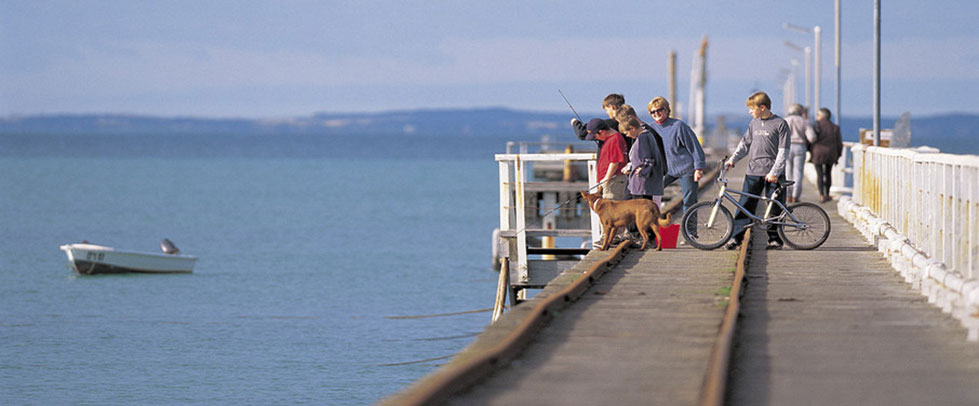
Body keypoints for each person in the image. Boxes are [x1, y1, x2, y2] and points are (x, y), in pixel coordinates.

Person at [724, 91, 790, 250]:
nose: (749, 111)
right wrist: (733, 159)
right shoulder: (753, 124)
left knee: (774, 207)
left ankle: (775, 239)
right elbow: (744, 144)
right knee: (745, 204)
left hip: (773, 174)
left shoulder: (780, 124)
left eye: (751, 108)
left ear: (762, 107)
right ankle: (736, 238)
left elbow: (783, 151)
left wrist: (774, 172)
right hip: (753, 171)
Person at [646, 97, 706, 216]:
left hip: (686, 169)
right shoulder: (650, 129)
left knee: (689, 202)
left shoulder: (679, 126)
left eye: (659, 110)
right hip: (667, 170)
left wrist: (698, 168)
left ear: (667, 110)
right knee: (650, 194)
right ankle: (652, 226)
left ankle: (690, 232)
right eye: (653, 112)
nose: (656, 113)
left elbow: (695, 147)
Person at [619, 117, 666, 204]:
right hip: (645, 186)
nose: (627, 136)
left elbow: (648, 160)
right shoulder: (648, 134)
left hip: (641, 186)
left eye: (626, 133)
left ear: (632, 128)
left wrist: (642, 172)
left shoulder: (643, 138)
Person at [586, 118, 629, 201]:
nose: (596, 138)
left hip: (613, 180)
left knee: (612, 210)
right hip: (608, 180)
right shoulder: (610, 139)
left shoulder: (615, 139)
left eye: (595, 136)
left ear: (602, 131)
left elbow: (614, 162)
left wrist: (606, 179)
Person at [784, 104, 816, 203]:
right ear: (800, 112)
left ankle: (788, 195)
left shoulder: (785, 120)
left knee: (787, 171)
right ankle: (795, 196)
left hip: (787, 146)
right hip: (800, 147)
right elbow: (812, 137)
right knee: (798, 172)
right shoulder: (804, 122)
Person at [811, 107, 843, 203]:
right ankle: (827, 194)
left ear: (822, 116)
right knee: (828, 174)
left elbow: (811, 140)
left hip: (818, 153)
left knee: (819, 174)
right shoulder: (835, 127)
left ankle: (821, 195)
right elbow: (839, 143)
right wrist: (838, 155)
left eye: (818, 115)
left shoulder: (816, 126)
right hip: (831, 153)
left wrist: (810, 151)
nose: (817, 116)